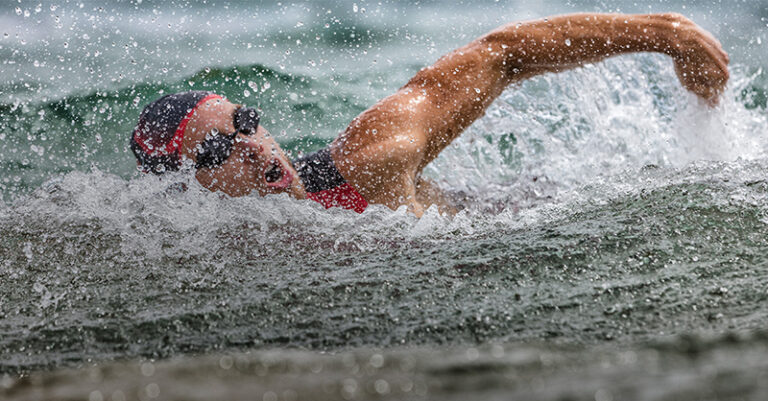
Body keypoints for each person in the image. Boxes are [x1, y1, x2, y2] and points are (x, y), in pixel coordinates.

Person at [130, 13, 729, 217]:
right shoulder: (188, 250)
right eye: (214, 152)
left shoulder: (368, 163)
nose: (253, 147)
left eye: (245, 123)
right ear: (184, 189)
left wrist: (664, 33)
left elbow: (499, 55)